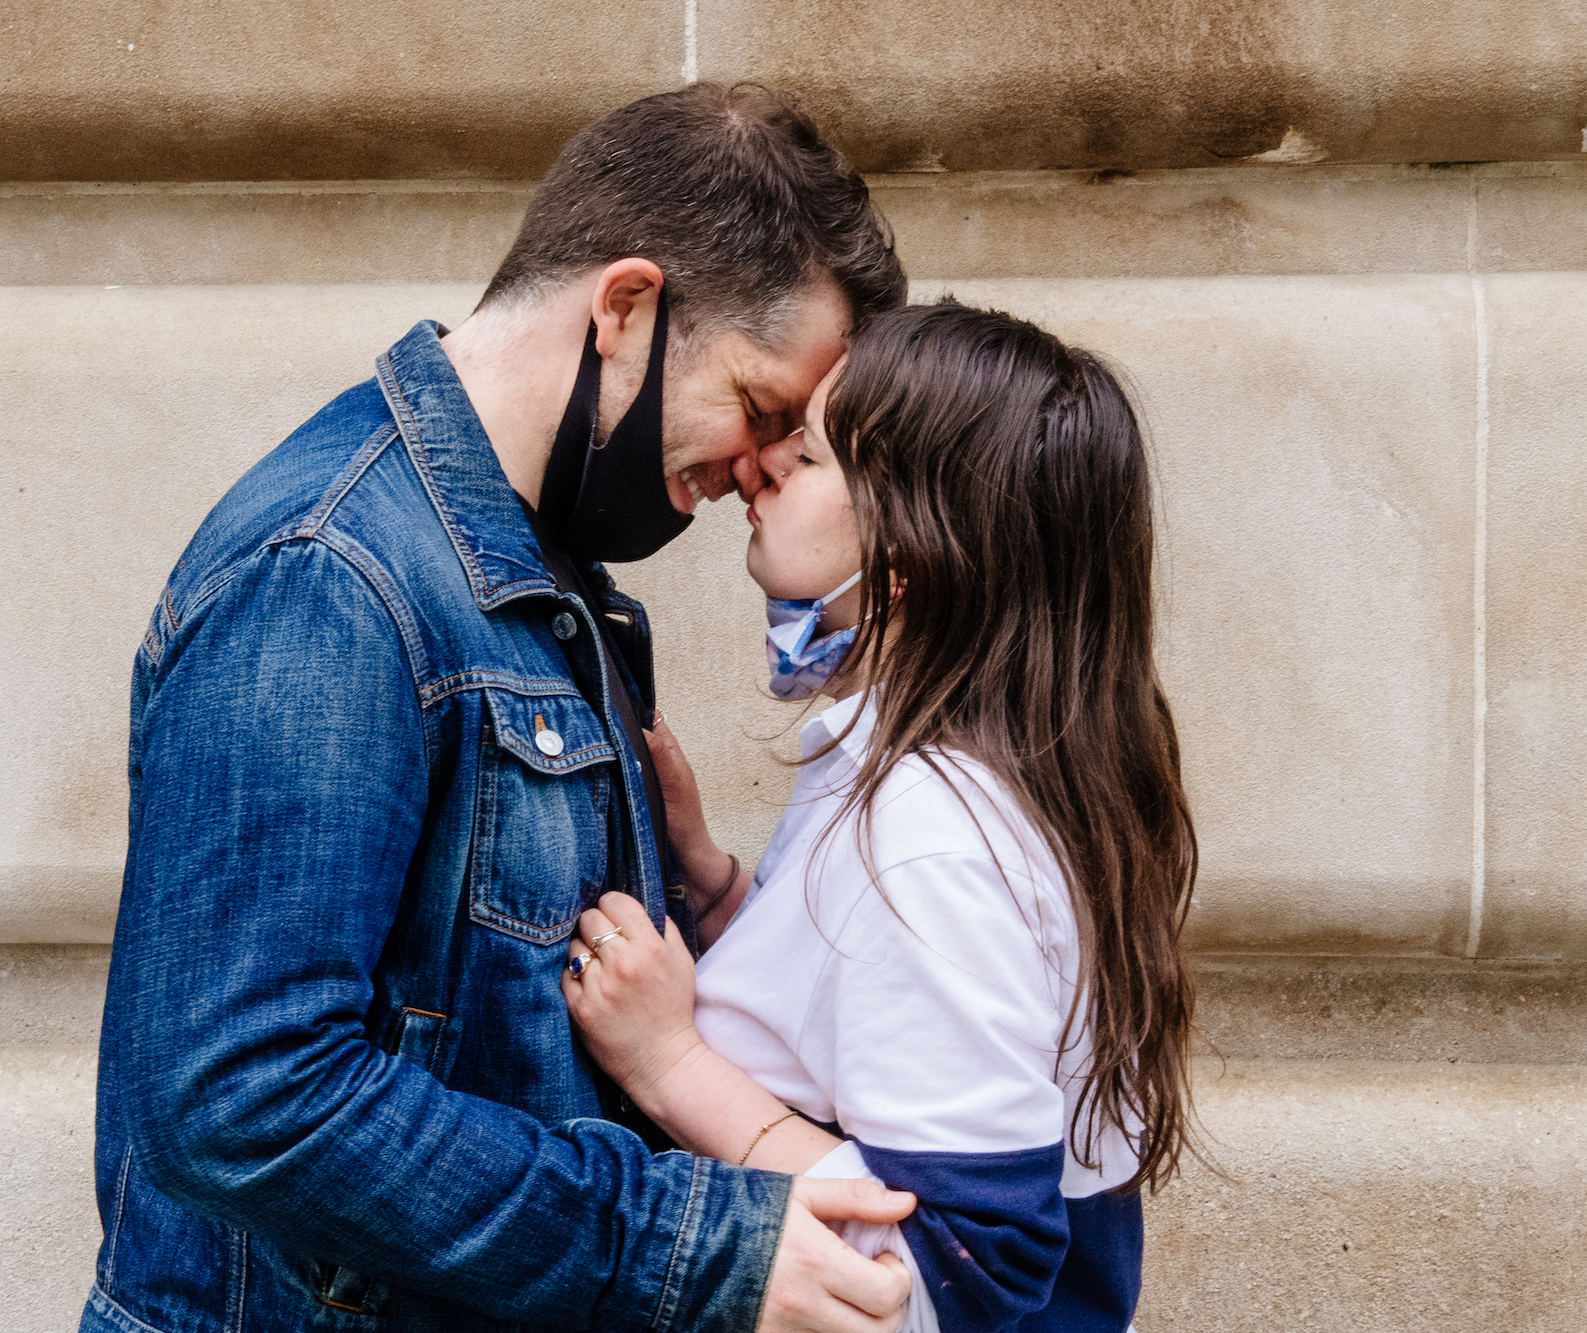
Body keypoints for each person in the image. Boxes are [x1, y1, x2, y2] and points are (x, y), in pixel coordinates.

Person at [83, 84, 921, 1333]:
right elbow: (242, 1095)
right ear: (625, 308)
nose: (754, 468)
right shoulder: (328, 574)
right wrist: (693, 1247)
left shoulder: (549, 584)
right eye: (757, 408)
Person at [561, 300, 1203, 1333]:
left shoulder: (927, 842)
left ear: (906, 562)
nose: (760, 465)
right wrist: (716, 885)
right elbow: (864, 1024)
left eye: (807, 452)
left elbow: (965, 1269)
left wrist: (671, 1066)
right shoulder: (954, 780)